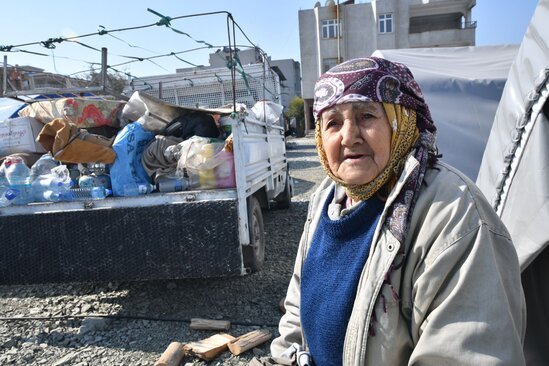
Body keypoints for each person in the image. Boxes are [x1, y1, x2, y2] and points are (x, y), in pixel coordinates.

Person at [269, 57, 526, 365]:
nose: (348, 136)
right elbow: (297, 311)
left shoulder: (452, 213)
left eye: (366, 116)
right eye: (333, 122)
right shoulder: (325, 199)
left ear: (401, 122)